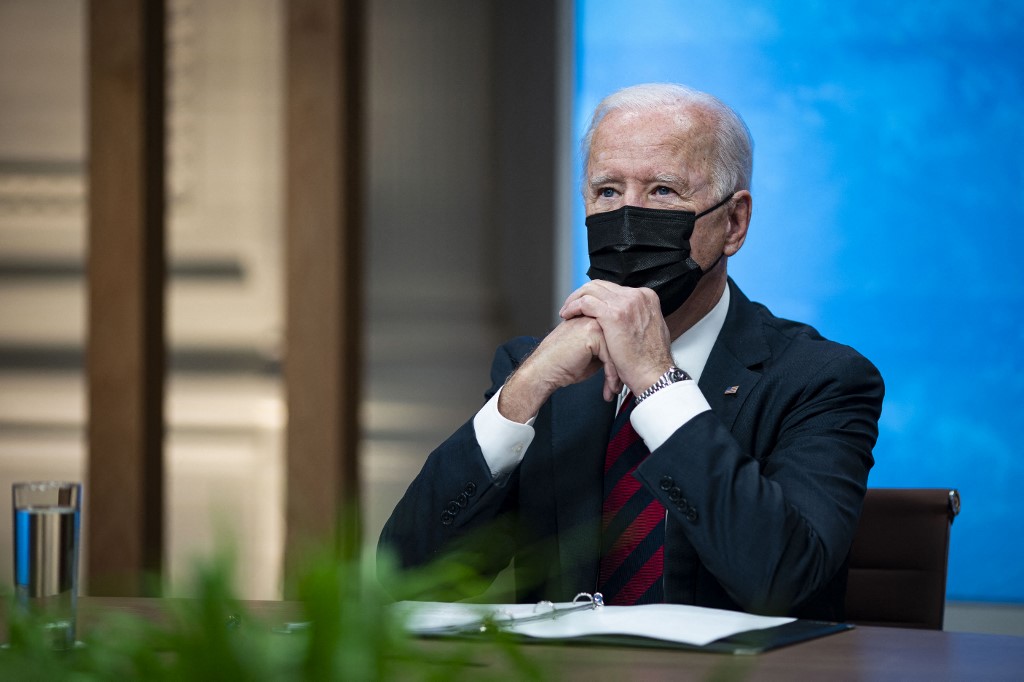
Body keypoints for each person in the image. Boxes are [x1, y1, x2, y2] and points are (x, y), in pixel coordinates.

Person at [378, 83, 884, 621]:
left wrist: (657, 382)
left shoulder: (821, 378)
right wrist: (520, 394)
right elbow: (403, 578)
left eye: (663, 191)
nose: (627, 218)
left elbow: (781, 579)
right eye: (608, 192)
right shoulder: (539, 374)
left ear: (733, 223)